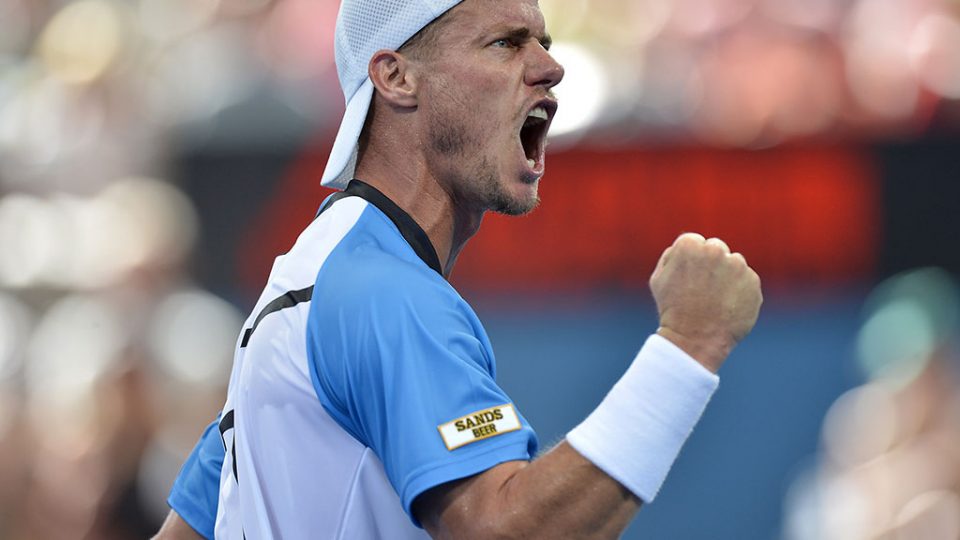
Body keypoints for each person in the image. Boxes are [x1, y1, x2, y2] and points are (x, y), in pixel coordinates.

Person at [154, 0, 763, 538]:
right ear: (395, 77)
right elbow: (504, 531)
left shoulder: (309, 286)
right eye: (505, 43)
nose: (551, 68)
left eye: (544, 43)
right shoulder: (381, 295)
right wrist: (688, 344)